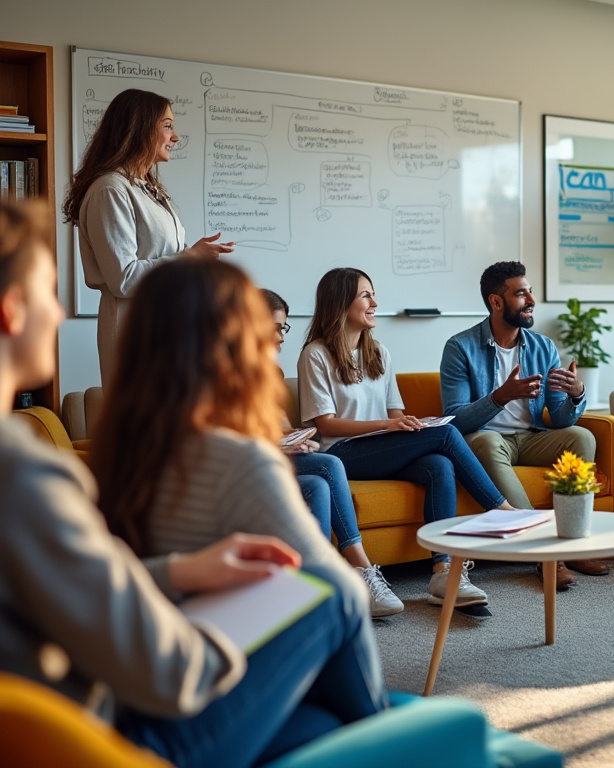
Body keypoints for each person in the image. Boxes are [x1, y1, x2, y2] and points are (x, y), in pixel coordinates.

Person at [0, 201, 386, 768]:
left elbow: (59, 591)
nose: (60, 313)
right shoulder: (25, 475)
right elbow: (172, 673)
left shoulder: (102, 454)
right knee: (335, 600)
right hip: (121, 734)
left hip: (61, 723)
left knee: (323, 723)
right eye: (47, 293)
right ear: (11, 310)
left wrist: (178, 572)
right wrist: (231, 641)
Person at [298, 267, 512, 609]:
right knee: (446, 436)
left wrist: (411, 425)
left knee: (439, 464)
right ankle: (502, 510)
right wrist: (386, 426)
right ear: (340, 303)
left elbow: (395, 413)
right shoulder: (316, 354)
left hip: (379, 448)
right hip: (341, 453)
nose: (374, 303)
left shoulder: (378, 352)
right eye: (365, 296)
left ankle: (443, 571)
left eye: (372, 294)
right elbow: (326, 425)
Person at [440, 261, 608, 590]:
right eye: (521, 293)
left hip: (530, 439)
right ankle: (547, 554)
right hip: (488, 440)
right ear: (496, 302)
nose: (531, 299)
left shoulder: (543, 347)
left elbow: (558, 418)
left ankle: (572, 540)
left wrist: (576, 394)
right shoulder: (460, 348)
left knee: (582, 437)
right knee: (486, 443)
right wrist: (499, 398)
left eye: (530, 291)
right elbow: (455, 420)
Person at [61, 88, 234, 385]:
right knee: (145, 428)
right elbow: (124, 277)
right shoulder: (110, 190)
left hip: (168, 328)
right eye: (167, 126)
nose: (175, 137)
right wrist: (189, 257)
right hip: (136, 331)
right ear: (139, 129)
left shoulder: (146, 188)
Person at [262, 288, 403, 617]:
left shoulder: (270, 373)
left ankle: (317, 583)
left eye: (284, 327)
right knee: (327, 465)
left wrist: (296, 439)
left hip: (272, 457)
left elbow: (279, 428)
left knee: (319, 484)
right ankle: (361, 568)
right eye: (276, 327)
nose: (282, 336)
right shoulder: (215, 371)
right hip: (241, 463)